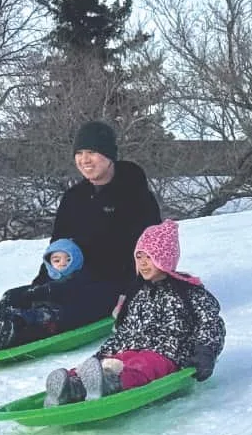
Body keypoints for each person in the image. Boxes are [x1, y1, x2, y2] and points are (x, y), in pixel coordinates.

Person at [44, 219, 226, 406]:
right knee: (105, 362)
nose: (144, 264)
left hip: (167, 353)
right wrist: (101, 355)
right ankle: (71, 385)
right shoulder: (136, 293)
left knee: (142, 365)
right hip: (130, 348)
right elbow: (123, 331)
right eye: (139, 258)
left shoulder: (189, 292)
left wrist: (206, 352)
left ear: (165, 258)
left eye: (150, 257)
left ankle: (111, 384)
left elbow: (210, 323)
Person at [33, 120, 161, 311]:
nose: (84, 160)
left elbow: (152, 251)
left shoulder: (134, 193)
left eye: (92, 152)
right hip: (73, 280)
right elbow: (58, 248)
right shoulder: (73, 198)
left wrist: (135, 292)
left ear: (109, 155)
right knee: (23, 297)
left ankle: (26, 325)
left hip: (117, 286)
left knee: (62, 304)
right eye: (79, 153)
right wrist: (39, 284)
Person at [0, 239, 114, 353]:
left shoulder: (81, 277)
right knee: (12, 309)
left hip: (58, 316)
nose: (62, 265)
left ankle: (6, 333)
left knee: (29, 320)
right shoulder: (47, 278)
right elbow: (37, 289)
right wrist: (14, 295)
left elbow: (63, 289)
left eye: (68, 260)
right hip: (41, 310)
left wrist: (34, 293)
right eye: (56, 260)